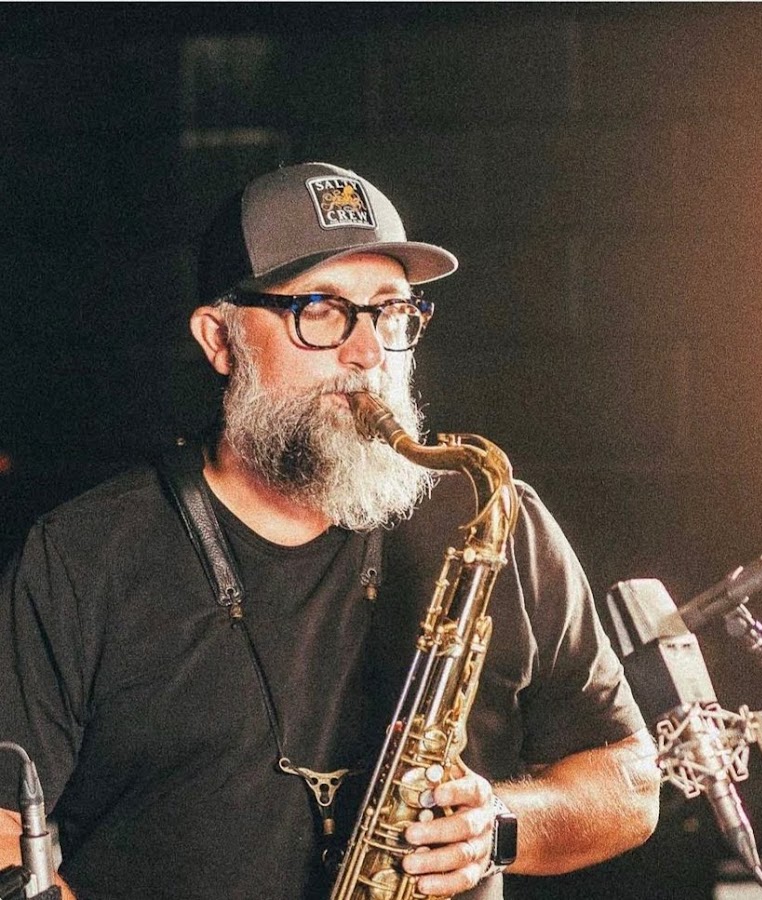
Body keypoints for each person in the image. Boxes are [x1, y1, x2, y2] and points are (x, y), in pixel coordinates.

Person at [0, 162, 660, 899]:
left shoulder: (492, 518)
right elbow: (2, 827)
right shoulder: (83, 556)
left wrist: (499, 827)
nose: (368, 353)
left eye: (391, 312)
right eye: (320, 309)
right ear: (220, 339)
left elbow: (630, 781)